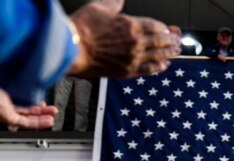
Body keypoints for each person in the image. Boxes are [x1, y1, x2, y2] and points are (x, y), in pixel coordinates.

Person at [0, 0, 181, 130]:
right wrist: (78, 39)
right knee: (61, 104)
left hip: (77, 78)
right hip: (65, 75)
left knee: (80, 106)